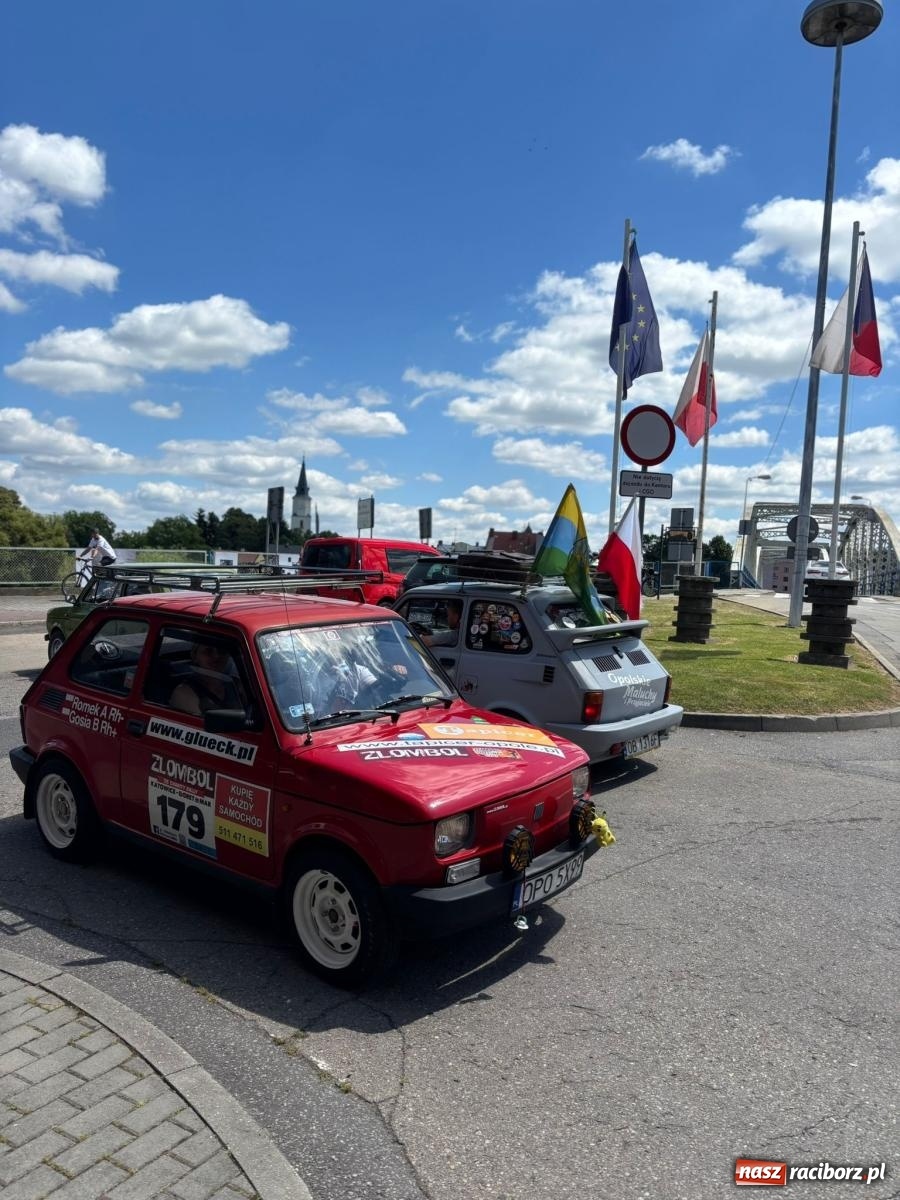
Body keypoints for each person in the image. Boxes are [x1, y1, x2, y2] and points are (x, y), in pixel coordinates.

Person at [170, 642, 244, 716]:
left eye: (222, 651)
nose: (216, 656)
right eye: (208, 651)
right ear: (195, 657)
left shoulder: (236, 685)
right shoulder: (184, 693)